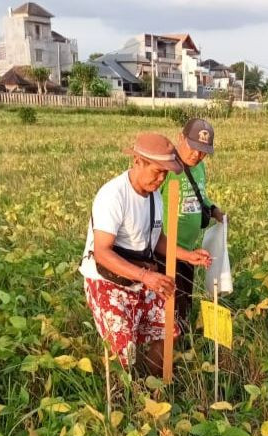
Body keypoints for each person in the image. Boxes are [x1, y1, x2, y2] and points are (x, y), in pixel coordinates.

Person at [80, 132, 211, 376]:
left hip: (139, 279)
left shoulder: (154, 196)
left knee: (170, 330)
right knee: (124, 348)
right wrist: (146, 276)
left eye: (165, 173)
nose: (161, 179)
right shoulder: (113, 196)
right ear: (138, 161)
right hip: (107, 281)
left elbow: (157, 239)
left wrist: (187, 255)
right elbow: (102, 252)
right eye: (157, 171)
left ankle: (154, 386)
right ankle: (126, 396)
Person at [161, 118, 226, 330]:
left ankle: (184, 340)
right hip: (165, 251)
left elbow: (200, 196)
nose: (197, 155)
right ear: (181, 138)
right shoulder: (165, 169)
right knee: (168, 304)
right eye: (193, 148)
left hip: (189, 250)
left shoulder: (199, 169)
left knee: (184, 300)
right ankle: (170, 347)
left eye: (203, 151)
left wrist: (214, 209)